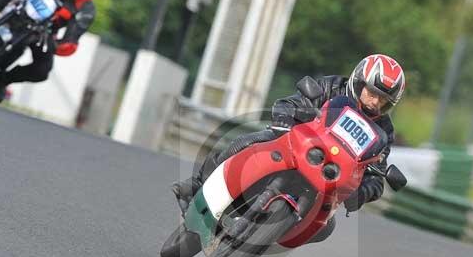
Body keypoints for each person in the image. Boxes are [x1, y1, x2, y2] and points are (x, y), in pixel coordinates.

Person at [172, 53, 405, 244]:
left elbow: (377, 171)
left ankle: (260, 252)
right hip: (295, 148)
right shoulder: (332, 87)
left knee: (325, 227)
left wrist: (363, 191)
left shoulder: (384, 130)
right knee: (250, 141)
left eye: (382, 100)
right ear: (358, 82)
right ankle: (196, 186)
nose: (375, 102)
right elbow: (293, 101)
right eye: (372, 92)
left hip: (326, 180)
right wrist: (285, 118)